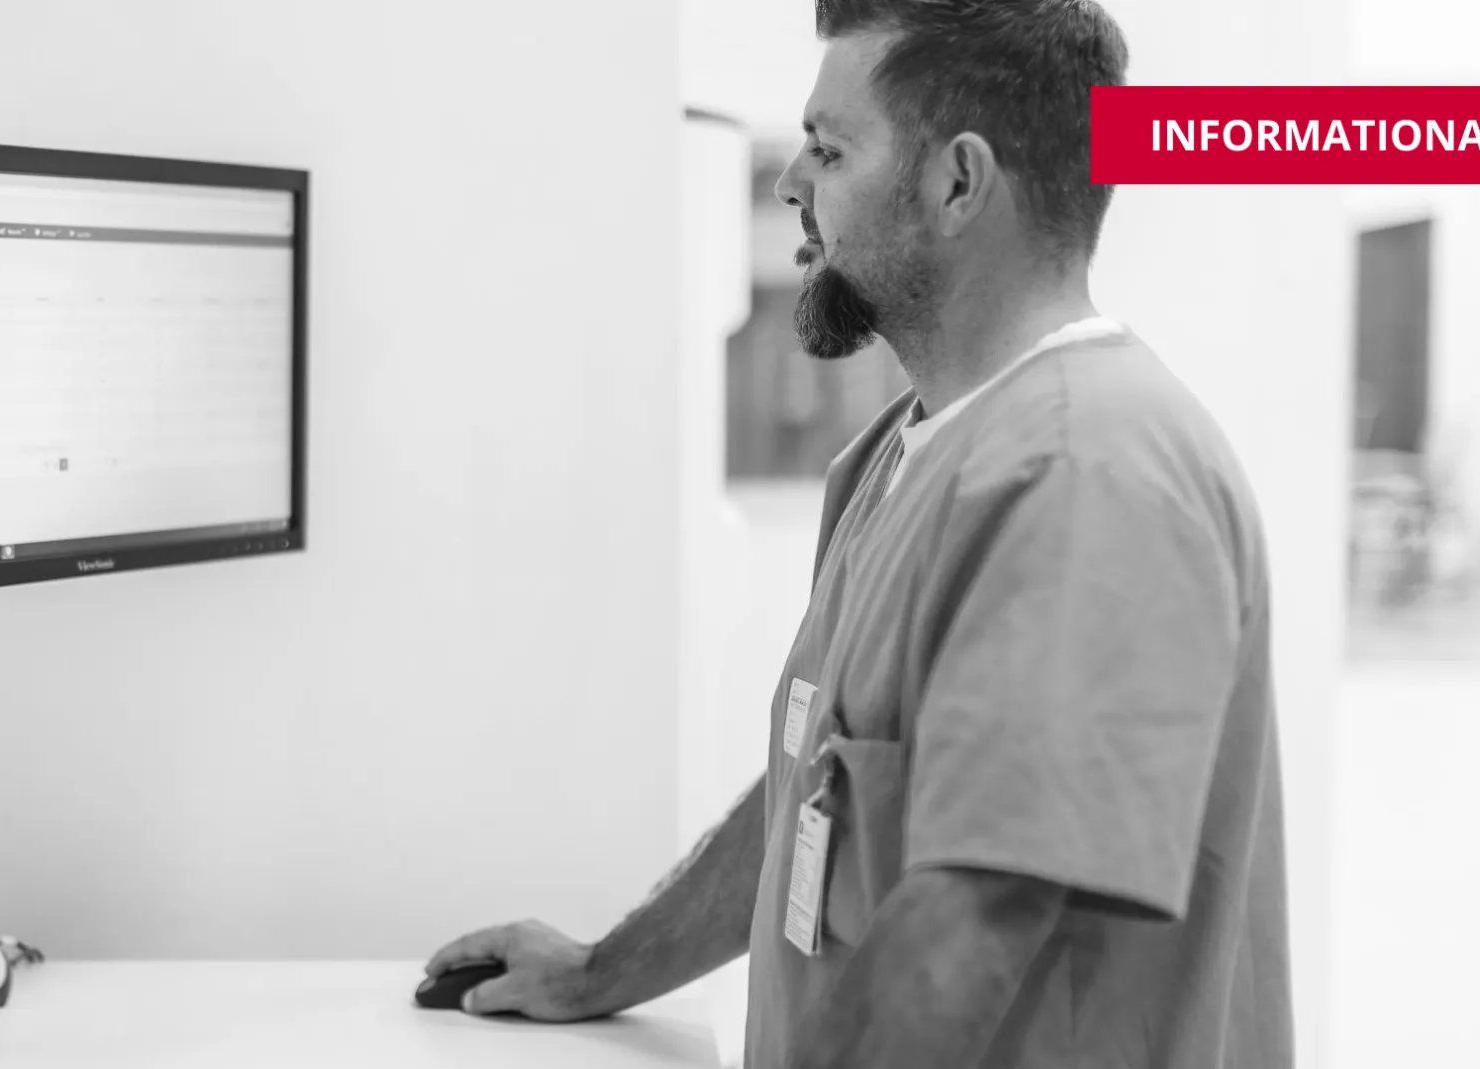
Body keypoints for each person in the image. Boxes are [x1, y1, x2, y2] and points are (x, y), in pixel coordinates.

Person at [423, 2, 1294, 1066]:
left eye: (829, 149)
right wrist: (602, 970)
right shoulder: (907, 451)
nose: (790, 182)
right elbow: (823, 789)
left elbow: (968, 925)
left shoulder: (1086, 476)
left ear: (958, 183)